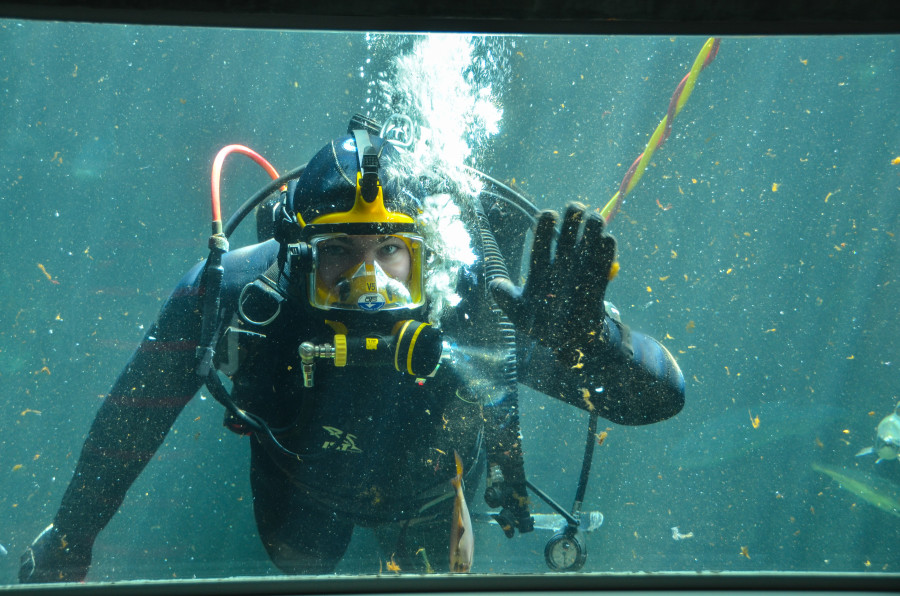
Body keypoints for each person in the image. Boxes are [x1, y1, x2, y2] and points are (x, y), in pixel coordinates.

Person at [19, 119, 684, 582]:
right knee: (298, 566)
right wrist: (71, 538)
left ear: (428, 251)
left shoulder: (476, 303)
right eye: (339, 251)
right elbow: (133, 419)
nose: (370, 286)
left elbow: (661, 398)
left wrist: (589, 346)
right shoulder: (234, 292)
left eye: (391, 251)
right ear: (295, 256)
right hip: (302, 487)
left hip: (433, 490)